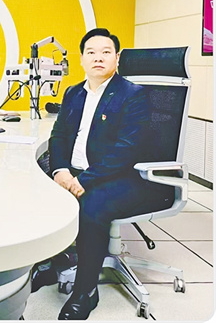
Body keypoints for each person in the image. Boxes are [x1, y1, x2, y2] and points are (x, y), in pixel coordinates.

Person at [47, 28, 175, 320]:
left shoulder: (132, 94)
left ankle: (85, 291)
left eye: (106, 52)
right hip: (75, 172)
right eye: (91, 52)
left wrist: (81, 181)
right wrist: (60, 170)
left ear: (117, 58)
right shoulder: (73, 92)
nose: (98, 58)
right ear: (81, 59)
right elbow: (59, 136)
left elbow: (125, 151)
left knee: (92, 207)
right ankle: (52, 265)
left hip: (122, 177)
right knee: (39, 191)